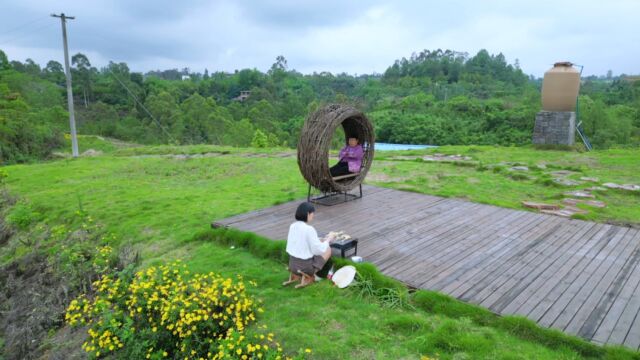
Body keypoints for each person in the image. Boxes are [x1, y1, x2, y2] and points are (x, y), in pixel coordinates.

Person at [284, 202, 335, 287]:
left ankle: (299, 275)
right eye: (312, 213)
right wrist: (329, 239)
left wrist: (319, 240)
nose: (313, 215)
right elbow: (318, 250)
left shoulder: (292, 226)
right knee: (328, 249)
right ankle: (310, 276)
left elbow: (300, 240)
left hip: (292, 265)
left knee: (319, 246)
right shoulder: (309, 229)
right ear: (308, 213)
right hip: (304, 268)